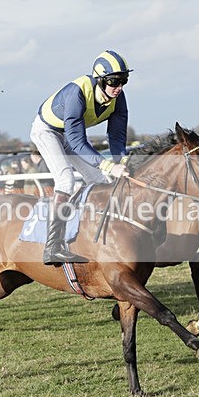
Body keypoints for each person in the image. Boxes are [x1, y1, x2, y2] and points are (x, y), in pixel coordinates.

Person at [30, 49, 132, 265]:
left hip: (70, 134)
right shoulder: (77, 93)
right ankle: (52, 246)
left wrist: (121, 162)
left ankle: (99, 234)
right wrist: (108, 165)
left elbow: (116, 136)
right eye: (114, 81)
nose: (119, 87)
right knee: (66, 179)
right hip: (47, 131)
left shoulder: (118, 98)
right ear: (100, 79)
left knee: (99, 180)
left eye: (124, 80)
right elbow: (77, 142)